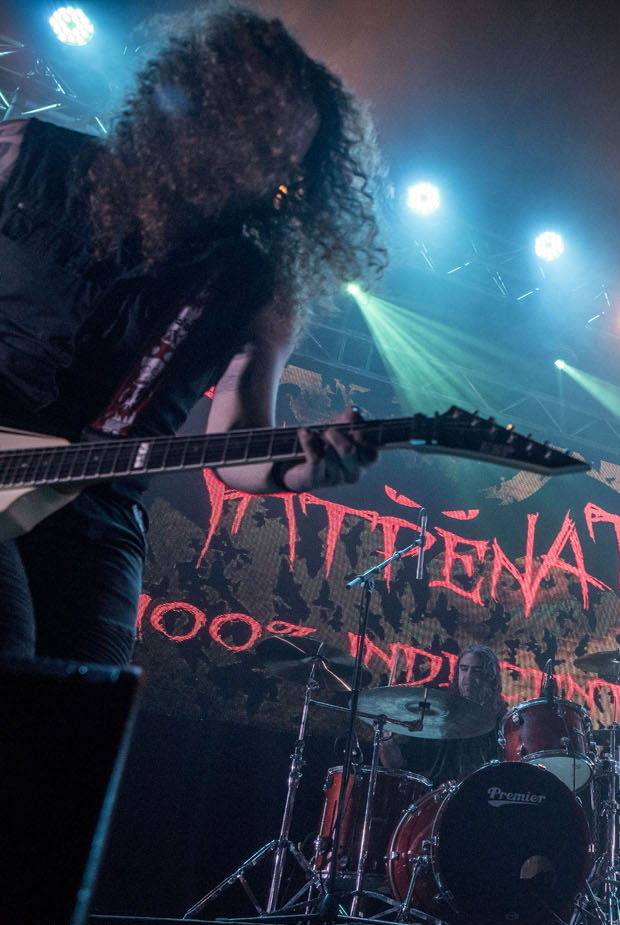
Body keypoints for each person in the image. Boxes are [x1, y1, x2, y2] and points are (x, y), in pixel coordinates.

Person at [0, 7, 385, 666]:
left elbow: (237, 443)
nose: (272, 169)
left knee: (80, 712)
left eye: (289, 159)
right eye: (261, 136)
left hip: (96, 510)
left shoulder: (256, 283)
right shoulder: (25, 158)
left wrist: (296, 469)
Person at [378, 645, 507, 787]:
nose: (468, 677)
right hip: (434, 796)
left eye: (477, 671)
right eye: (464, 669)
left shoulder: (500, 724)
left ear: (490, 678)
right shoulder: (438, 714)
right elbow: (396, 765)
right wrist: (386, 740)